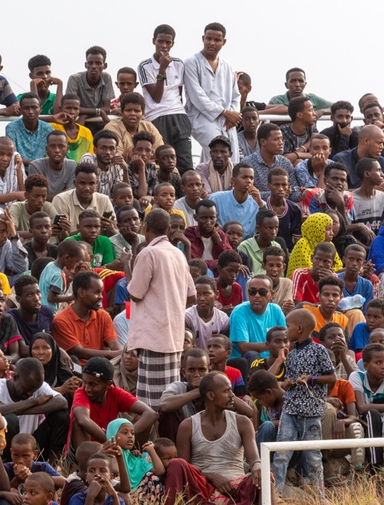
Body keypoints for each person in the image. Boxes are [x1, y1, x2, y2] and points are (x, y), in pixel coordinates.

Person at [167, 372, 262, 505]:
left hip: (236, 489)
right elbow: (185, 468)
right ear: (211, 396)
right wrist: (211, 476)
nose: (232, 395)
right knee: (176, 464)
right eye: (226, 391)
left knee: (265, 476)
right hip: (203, 489)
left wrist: (257, 466)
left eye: (231, 390)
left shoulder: (242, 422)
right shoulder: (188, 425)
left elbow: (254, 459)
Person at [127, 209, 195, 410]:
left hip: (154, 337)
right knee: (167, 396)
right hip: (173, 335)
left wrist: (126, 266)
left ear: (145, 228)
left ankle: (161, 441)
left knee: (155, 405)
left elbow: (135, 294)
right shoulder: (178, 253)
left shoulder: (148, 253)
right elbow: (192, 296)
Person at [272, 309, 337, 495]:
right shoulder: (291, 354)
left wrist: (312, 379)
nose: (286, 331)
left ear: (299, 328)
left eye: (288, 326)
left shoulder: (318, 350)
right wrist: (287, 383)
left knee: (313, 456)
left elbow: (331, 377)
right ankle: (275, 495)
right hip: (290, 409)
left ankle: (319, 495)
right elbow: (289, 380)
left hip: (311, 412)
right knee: (281, 454)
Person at [139, 24, 193, 173]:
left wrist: (182, 118)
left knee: (185, 162)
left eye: (168, 42)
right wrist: (162, 69)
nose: (164, 46)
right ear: (153, 41)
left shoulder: (178, 63)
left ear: (172, 44)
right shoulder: (145, 66)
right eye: (160, 41)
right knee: (163, 163)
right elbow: (156, 96)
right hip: (158, 116)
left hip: (179, 116)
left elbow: (179, 94)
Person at [183, 23, 240, 161]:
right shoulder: (192, 62)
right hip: (200, 117)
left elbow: (235, 96)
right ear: (203, 38)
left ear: (224, 42)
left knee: (231, 156)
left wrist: (232, 117)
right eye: (209, 38)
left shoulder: (227, 66)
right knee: (217, 152)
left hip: (226, 120)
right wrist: (225, 112)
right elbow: (197, 96)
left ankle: (210, 182)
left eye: (217, 40)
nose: (212, 43)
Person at [229, 276, 287, 361]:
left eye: (262, 292)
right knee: (252, 354)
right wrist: (272, 345)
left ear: (271, 294)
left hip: (270, 358)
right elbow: (243, 347)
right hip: (245, 361)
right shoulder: (239, 311)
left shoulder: (276, 310)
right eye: (252, 292)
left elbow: (285, 339)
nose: (257, 295)